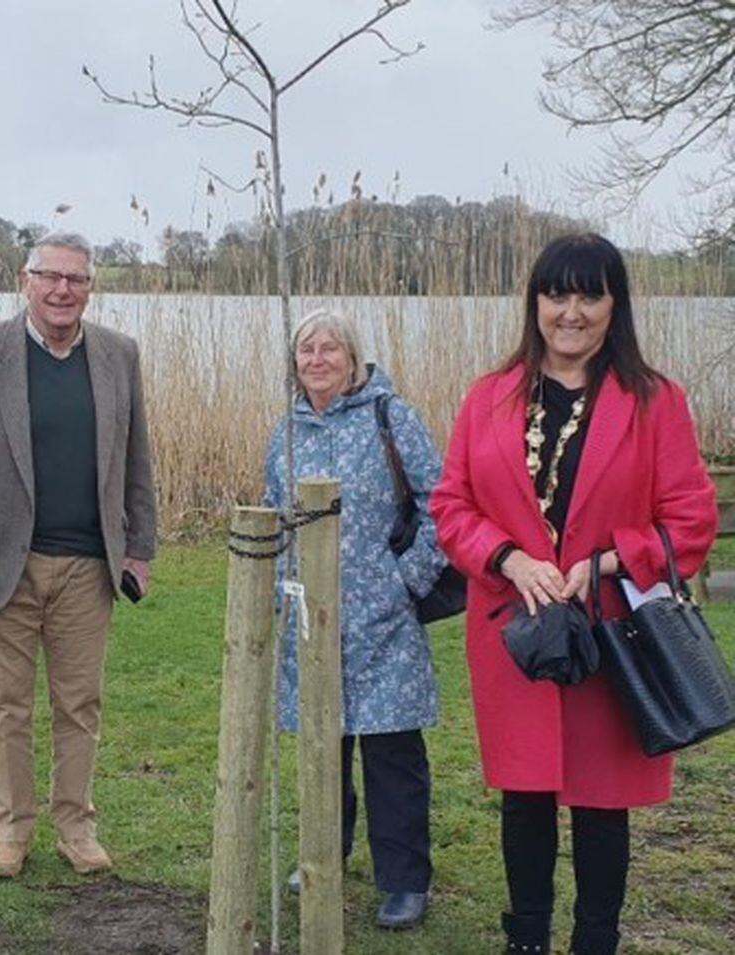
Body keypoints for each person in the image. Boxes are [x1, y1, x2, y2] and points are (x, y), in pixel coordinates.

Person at [430, 233, 718, 955]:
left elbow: (690, 519)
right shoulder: (489, 398)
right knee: (524, 794)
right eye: (557, 293)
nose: (571, 311)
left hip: (609, 634)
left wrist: (613, 561)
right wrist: (508, 558)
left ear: (614, 305)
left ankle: (597, 940)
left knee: (601, 802)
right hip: (516, 630)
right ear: (535, 303)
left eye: (590, 294)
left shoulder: (655, 402)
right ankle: (525, 937)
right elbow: (451, 506)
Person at [0, 232, 156, 880]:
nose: (63, 290)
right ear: (24, 280)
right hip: (0, 560)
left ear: (90, 287)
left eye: (77, 279)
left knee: (79, 702)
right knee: (5, 704)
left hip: (90, 567)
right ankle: (10, 833)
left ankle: (76, 826)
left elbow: (137, 457)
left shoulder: (119, 355)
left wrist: (140, 546)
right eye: (50, 277)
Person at [263, 309, 446, 930]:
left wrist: (408, 580)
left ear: (353, 357)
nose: (317, 360)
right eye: (306, 350)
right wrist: (275, 593)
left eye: (330, 349)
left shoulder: (392, 417)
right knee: (323, 744)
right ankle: (325, 854)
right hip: (311, 618)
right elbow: (273, 510)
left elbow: (441, 503)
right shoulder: (286, 431)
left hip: (383, 616)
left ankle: (405, 879)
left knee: (391, 752)